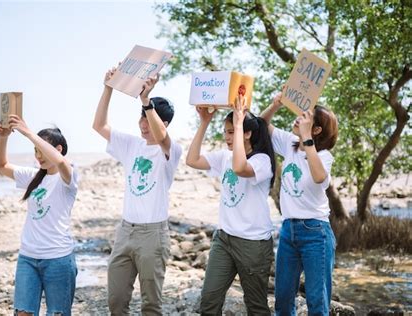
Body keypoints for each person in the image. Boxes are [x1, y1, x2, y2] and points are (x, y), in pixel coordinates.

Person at [92, 67, 182, 315]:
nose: (143, 124)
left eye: (148, 118)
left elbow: (163, 137)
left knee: (151, 304)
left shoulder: (172, 150)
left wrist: (146, 100)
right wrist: (108, 87)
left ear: (162, 122)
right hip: (125, 231)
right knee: (116, 300)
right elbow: (99, 125)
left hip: (153, 234)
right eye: (141, 117)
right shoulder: (131, 144)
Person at [186, 96, 276, 315]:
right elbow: (192, 160)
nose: (227, 136)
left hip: (253, 244)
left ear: (248, 134)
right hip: (224, 239)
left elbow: (239, 168)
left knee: (256, 306)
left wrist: (239, 122)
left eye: (232, 132)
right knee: (209, 300)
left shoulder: (262, 161)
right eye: (226, 132)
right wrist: (204, 122)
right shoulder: (224, 157)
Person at [260, 93, 338, 315]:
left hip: (316, 232)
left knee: (317, 301)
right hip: (288, 231)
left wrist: (307, 141)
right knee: (283, 299)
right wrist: (274, 104)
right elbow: (260, 125)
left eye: (305, 117)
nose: (298, 118)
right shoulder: (289, 144)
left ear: (316, 130)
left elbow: (319, 178)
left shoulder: (324, 156)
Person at [0, 114, 78, 316]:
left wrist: (29, 133)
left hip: (58, 259)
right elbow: (0, 165)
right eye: (35, 151)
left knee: (57, 313)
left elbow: (62, 163)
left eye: (42, 150)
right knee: (22, 313)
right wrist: (3, 137)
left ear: (58, 150)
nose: (38, 156)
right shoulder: (33, 176)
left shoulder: (68, 176)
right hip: (28, 258)